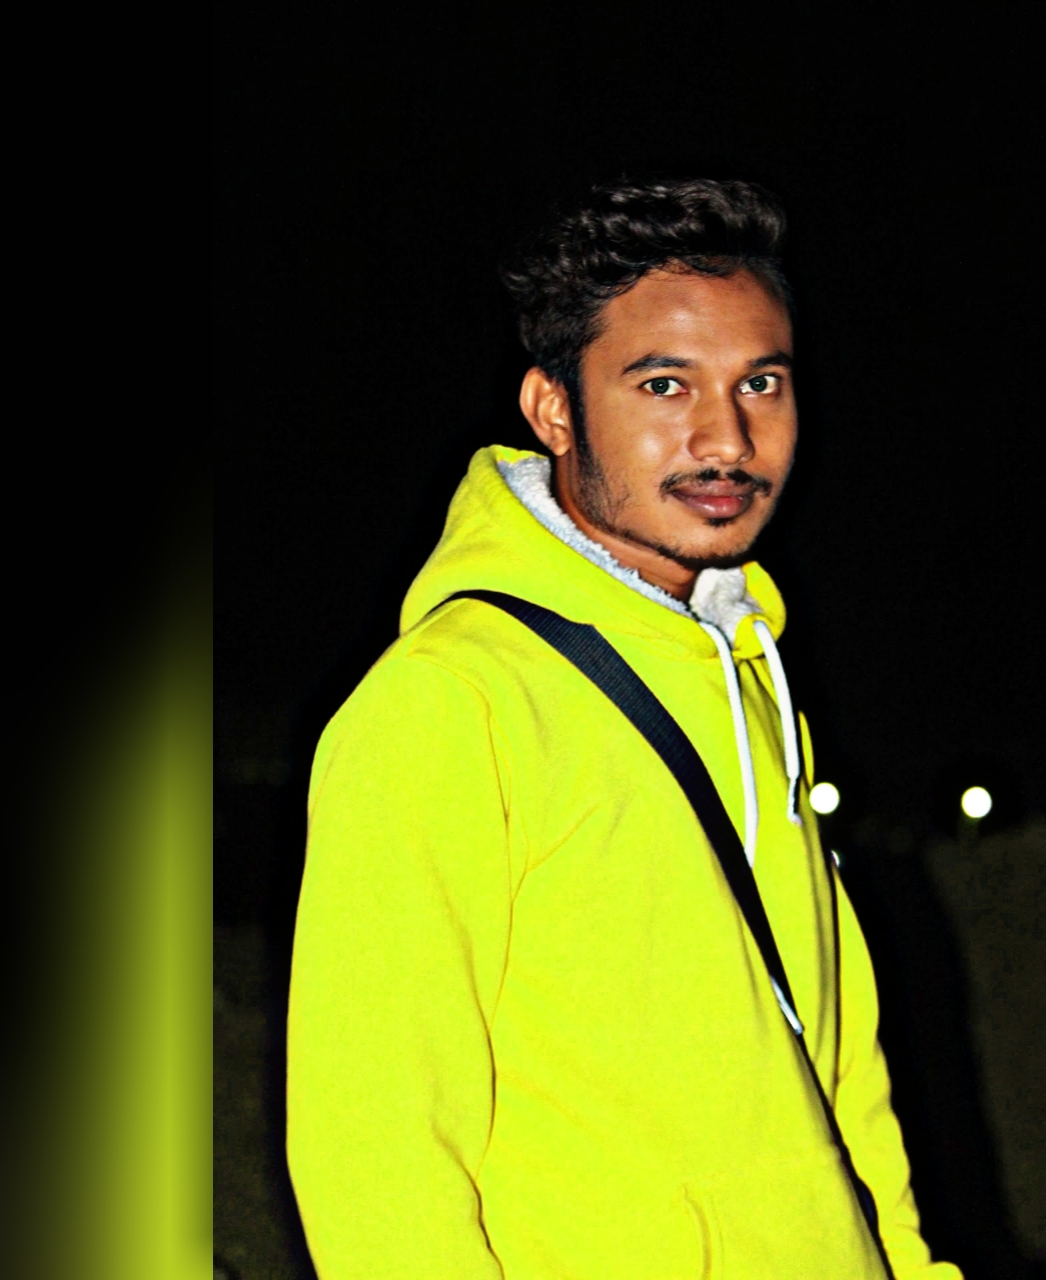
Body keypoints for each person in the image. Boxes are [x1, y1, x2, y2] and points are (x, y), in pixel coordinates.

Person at [286, 178, 962, 1279]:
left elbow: (839, 1067)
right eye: (662, 383)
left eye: (761, 382)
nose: (726, 436)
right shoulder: (450, 700)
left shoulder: (746, 674)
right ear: (553, 408)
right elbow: (376, 1142)